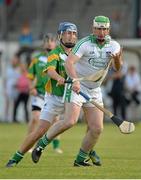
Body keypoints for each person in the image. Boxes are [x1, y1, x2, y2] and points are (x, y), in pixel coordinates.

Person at [31, 16, 123, 167]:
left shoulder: (114, 46)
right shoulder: (84, 44)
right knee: (70, 121)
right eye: (98, 29)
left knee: (97, 129)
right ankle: (41, 144)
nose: (101, 32)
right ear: (93, 29)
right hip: (77, 85)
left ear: (108, 30)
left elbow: (118, 68)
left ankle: (80, 159)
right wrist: (74, 80)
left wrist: (117, 59)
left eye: (104, 29)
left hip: (94, 90)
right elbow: (69, 63)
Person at [6, 22, 78, 167]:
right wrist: (58, 78)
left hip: (72, 95)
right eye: (68, 33)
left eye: (74, 33)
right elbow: (51, 70)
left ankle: (87, 152)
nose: (71, 36)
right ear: (61, 36)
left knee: (88, 122)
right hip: (54, 97)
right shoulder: (54, 53)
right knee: (39, 130)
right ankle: (15, 158)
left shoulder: (79, 52)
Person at [27, 33, 63, 153]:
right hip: (40, 94)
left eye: (52, 40)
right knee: (35, 118)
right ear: (43, 44)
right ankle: (29, 144)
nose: (49, 43)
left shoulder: (59, 57)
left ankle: (56, 146)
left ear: (55, 43)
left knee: (56, 121)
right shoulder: (36, 59)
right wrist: (31, 88)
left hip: (54, 94)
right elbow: (30, 77)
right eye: (47, 41)